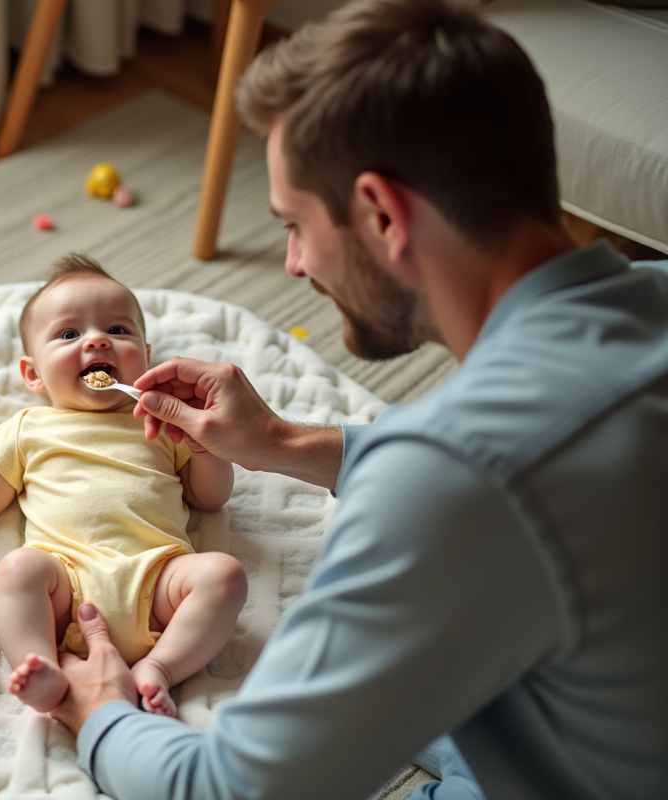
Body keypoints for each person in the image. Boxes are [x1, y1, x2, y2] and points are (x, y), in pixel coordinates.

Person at [46, 0, 668, 798]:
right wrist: (277, 439)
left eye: (296, 224)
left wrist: (100, 713)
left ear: (380, 213)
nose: (296, 264)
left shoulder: (450, 482)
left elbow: (229, 790)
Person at [0, 253, 247, 716]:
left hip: (159, 579)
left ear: (148, 358)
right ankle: (43, 669)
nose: (97, 340)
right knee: (18, 570)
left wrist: (203, 447)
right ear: (33, 374)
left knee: (224, 574)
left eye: (118, 331)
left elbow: (210, 498)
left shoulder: (159, 421)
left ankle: (160, 667)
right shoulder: (28, 428)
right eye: (69, 334)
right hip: (65, 587)